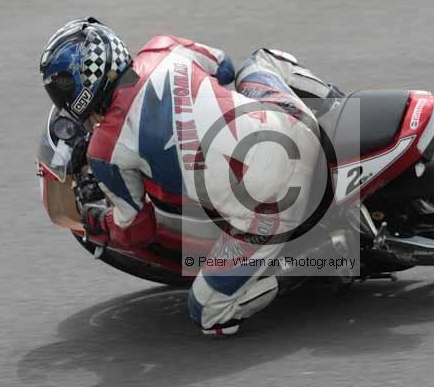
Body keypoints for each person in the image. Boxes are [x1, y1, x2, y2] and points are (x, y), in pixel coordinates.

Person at [39, 17, 343, 335]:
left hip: (272, 208)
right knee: (261, 61)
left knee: (208, 313)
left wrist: (99, 222)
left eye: (60, 90)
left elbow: (138, 230)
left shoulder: (105, 150)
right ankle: (338, 106)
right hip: (297, 126)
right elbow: (224, 67)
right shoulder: (163, 48)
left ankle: (316, 263)